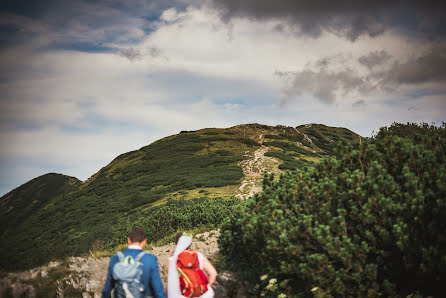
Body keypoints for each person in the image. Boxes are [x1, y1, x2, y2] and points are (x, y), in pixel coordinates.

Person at [102, 227, 166, 298]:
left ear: (128, 240)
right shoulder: (150, 259)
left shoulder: (115, 258)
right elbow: (158, 289)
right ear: (144, 242)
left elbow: (107, 289)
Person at [167, 233, 217, 297]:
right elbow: (213, 273)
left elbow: (170, 282)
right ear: (190, 244)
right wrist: (205, 288)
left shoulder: (172, 259)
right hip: (203, 295)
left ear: (176, 243)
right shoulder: (198, 255)